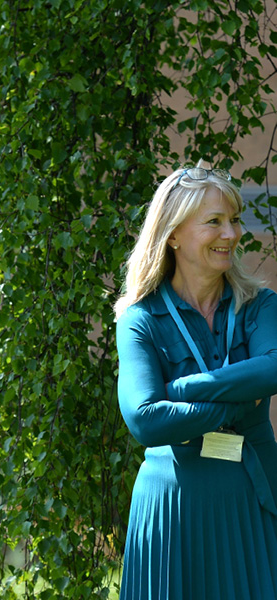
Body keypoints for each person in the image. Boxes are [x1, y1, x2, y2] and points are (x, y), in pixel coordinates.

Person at [114, 162, 277, 599]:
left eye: (234, 220)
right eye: (214, 222)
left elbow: (274, 366)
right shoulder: (140, 320)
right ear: (172, 235)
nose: (232, 234)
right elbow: (146, 420)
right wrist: (241, 400)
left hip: (253, 500)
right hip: (172, 512)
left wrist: (188, 388)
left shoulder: (259, 305)